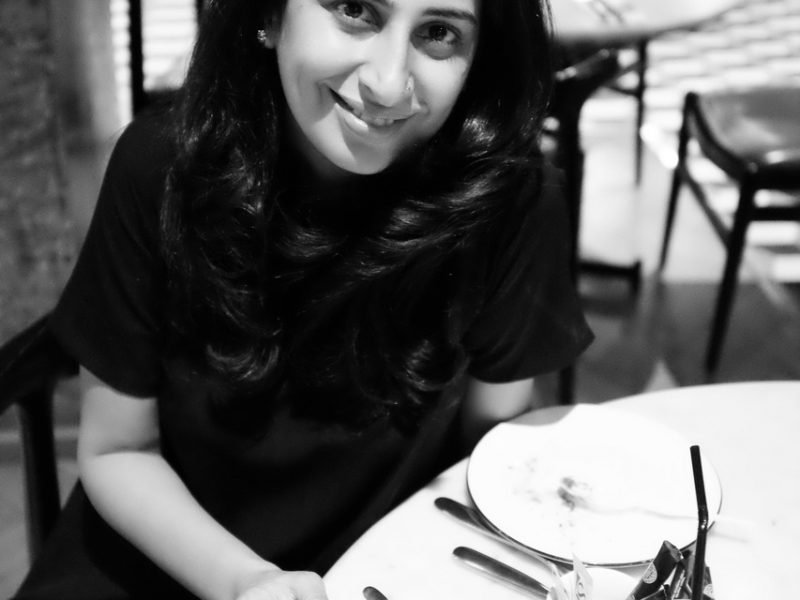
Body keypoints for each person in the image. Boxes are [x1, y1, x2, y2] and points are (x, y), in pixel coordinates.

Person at [14, 0, 592, 598]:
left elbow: (490, 455)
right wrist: (246, 581)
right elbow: (117, 451)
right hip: (156, 557)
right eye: (355, 10)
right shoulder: (160, 167)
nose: (387, 83)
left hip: (376, 572)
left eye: (439, 32)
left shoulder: (506, 199)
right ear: (269, 14)